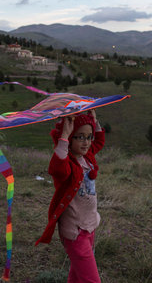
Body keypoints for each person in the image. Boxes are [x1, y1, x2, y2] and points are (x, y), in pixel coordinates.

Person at [36, 110, 104, 283]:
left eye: (89, 137)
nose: (86, 142)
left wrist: (94, 122)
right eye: (80, 137)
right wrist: (64, 135)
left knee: (77, 275)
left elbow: (100, 141)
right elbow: (57, 168)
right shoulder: (67, 164)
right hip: (75, 232)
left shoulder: (87, 157)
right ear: (70, 138)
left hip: (90, 228)